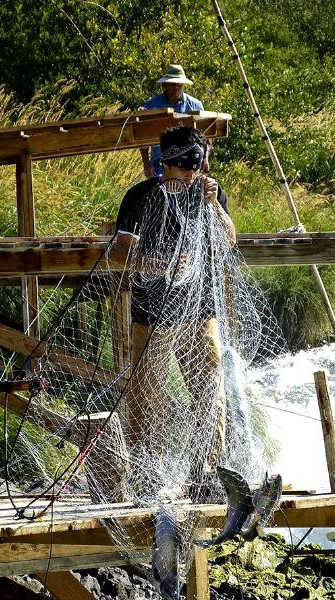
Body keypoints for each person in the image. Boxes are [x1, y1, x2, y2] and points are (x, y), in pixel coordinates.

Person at [116, 126, 235, 502]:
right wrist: (154, 265)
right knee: (146, 396)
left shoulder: (208, 194)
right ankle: (146, 477)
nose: (192, 172)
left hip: (201, 312)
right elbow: (121, 253)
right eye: (185, 165)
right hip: (152, 316)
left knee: (209, 391)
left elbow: (229, 239)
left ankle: (206, 475)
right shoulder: (140, 197)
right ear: (165, 162)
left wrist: (214, 204)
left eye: (197, 164)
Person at [139, 65, 204, 178]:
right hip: (160, 163)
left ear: (183, 85)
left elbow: (204, 135)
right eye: (172, 84)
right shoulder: (151, 105)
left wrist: (205, 158)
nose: (175, 88)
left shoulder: (195, 105)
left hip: (189, 164)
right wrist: (146, 162)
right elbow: (142, 136)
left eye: (179, 85)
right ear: (165, 85)